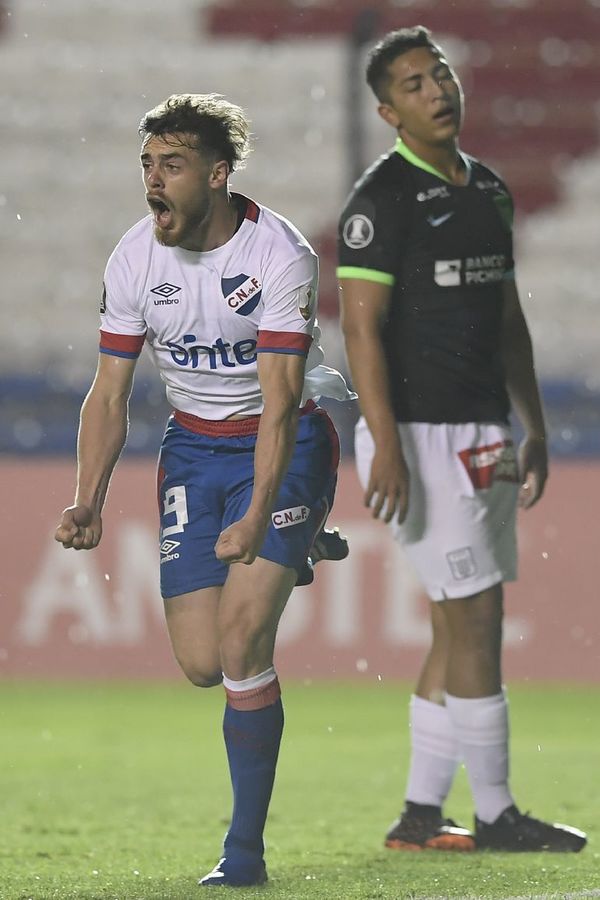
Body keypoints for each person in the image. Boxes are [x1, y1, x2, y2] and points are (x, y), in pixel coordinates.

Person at [55, 93, 354, 887]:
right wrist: (88, 497)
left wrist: (259, 516)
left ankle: (243, 855)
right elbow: (109, 396)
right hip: (193, 448)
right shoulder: (133, 259)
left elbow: (284, 402)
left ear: (218, 175)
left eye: (173, 165)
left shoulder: (278, 256)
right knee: (198, 664)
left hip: (280, 442)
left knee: (240, 645)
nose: (154, 181)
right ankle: (299, 541)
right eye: (148, 165)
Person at [337, 27, 587, 853]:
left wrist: (534, 422)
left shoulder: (490, 190)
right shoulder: (381, 202)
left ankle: (417, 816)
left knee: (459, 626)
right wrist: (386, 443)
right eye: (411, 83)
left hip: (482, 433)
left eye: (437, 72)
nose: (434, 89)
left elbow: (505, 315)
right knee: (477, 621)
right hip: (417, 436)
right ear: (387, 111)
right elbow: (361, 334)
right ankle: (497, 812)